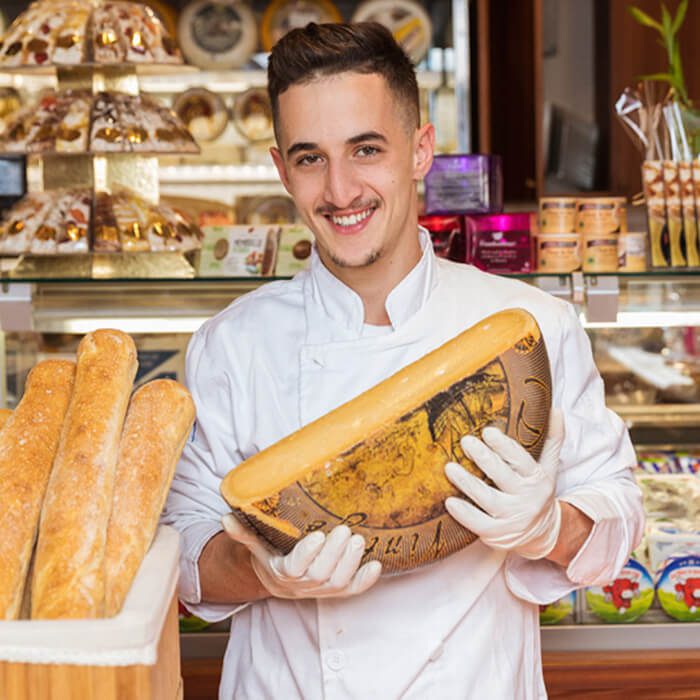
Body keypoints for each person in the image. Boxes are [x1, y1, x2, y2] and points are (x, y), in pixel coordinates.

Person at [163, 22, 644, 699]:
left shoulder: (532, 328)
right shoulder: (231, 344)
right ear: (280, 169)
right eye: (309, 158)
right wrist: (261, 572)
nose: (339, 190)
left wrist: (546, 527)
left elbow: (619, 519)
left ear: (420, 150)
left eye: (366, 149)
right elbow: (182, 553)